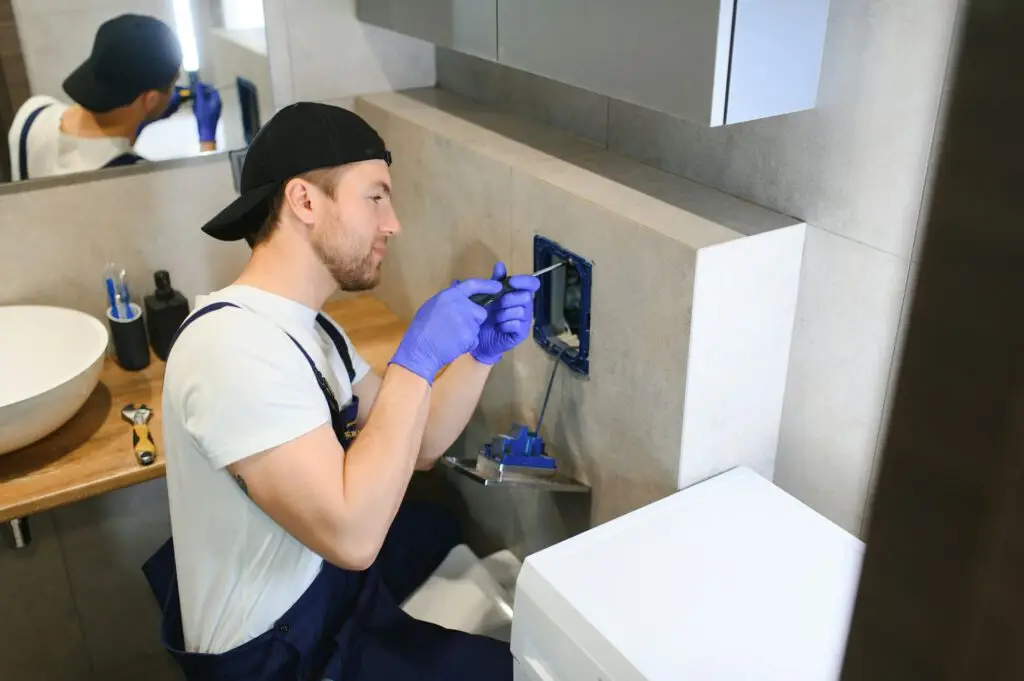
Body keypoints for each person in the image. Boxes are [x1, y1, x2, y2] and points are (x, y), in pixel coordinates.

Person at [142, 101, 540, 681]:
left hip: (319, 597)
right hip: (276, 657)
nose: (393, 223)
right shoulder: (231, 348)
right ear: (304, 200)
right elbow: (353, 537)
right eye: (375, 196)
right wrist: (417, 359)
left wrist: (482, 353)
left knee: (436, 525)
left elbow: (420, 444)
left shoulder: (312, 327)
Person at [6, 13, 221, 181]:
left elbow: (104, 145)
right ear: (151, 99)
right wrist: (207, 139)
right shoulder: (132, 177)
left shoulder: (32, 112)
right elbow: (205, 215)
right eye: (173, 83)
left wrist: (141, 121)